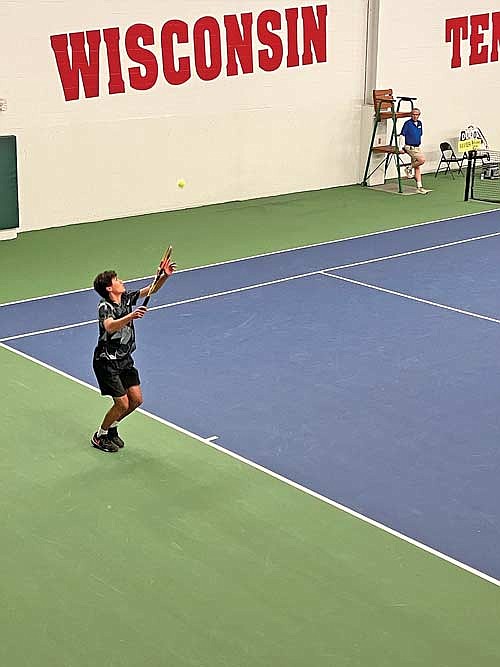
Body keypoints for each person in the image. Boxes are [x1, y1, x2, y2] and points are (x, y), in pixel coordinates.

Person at [91, 259, 175, 453]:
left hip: (125, 359)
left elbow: (151, 289)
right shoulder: (104, 306)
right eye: (117, 280)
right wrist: (131, 316)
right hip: (106, 362)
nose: (121, 281)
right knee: (122, 403)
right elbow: (109, 326)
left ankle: (112, 428)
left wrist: (164, 276)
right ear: (110, 288)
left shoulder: (127, 298)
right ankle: (100, 435)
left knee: (136, 400)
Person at [400, 108, 427, 194]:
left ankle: (419, 187)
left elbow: (420, 134)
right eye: (413, 114)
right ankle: (408, 168)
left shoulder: (419, 123)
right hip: (409, 147)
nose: (415, 116)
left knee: (417, 167)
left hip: (417, 147)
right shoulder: (407, 123)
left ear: (419, 115)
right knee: (422, 160)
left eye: (417, 114)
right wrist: (401, 147)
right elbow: (402, 135)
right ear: (411, 115)